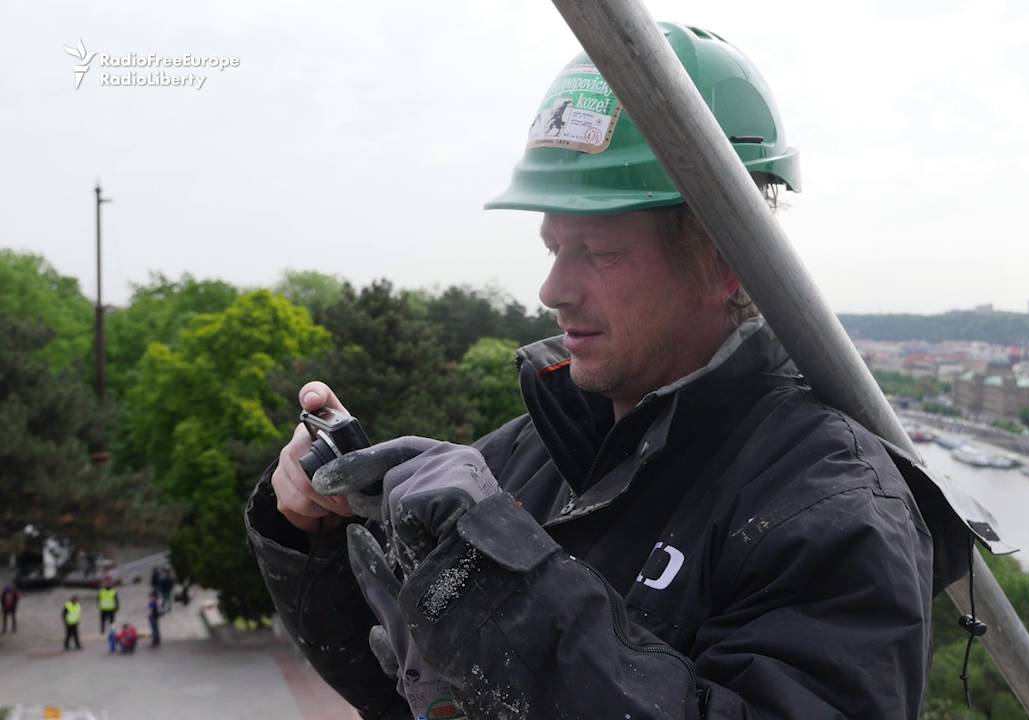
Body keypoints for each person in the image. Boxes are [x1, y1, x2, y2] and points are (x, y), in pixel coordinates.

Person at [246, 22, 976, 720]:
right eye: (552, 247)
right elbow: (396, 688)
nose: (553, 290)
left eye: (594, 251)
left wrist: (501, 576)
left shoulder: (830, 512)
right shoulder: (541, 449)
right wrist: (309, 531)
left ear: (722, 259)